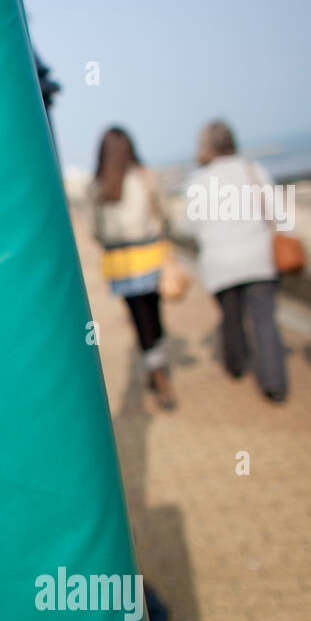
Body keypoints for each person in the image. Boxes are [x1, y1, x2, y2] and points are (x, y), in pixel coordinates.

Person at [183, 120, 288, 402]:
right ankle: (274, 383)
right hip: (258, 258)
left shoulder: (197, 181)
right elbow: (278, 212)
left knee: (231, 318)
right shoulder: (253, 170)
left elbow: (189, 226)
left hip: (219, 262)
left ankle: (236, 366)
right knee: (265, 321)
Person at [90, 127, 176, 410]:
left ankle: (155, 369)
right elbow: (164, 213)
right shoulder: (143, 175)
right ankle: (159, 371)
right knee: (154, 314)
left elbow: (96, 231)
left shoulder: (98, 184)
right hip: (149, 255)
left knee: (139, 319)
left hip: (119, 262)